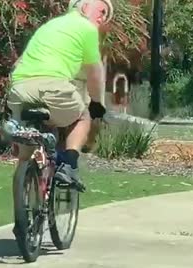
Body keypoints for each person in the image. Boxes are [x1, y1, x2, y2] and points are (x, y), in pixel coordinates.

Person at [7, 0, 113, 190]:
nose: (102, 17)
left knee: (25, 158)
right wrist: (96, 102)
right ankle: (69, 166)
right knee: (82, 117)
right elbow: (95, 73)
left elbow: (17, 64)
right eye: (102, 11)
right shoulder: (86, 29)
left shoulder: (48, 27)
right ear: (84, 6)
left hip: (20, 89)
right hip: (53, 87)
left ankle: (23, 214)